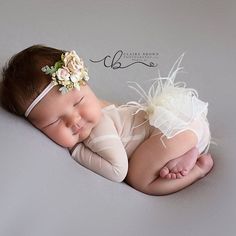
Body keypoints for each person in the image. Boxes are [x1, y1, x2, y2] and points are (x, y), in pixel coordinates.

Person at [0, 45, 213, 195]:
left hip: (176, 132)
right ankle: (185, 154)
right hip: (181, 128)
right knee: (147, 154)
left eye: (78, 102)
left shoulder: (99, 129)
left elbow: (117, 170)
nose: (75, 120)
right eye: (54, 122)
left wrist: (76, 151)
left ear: (87, 86)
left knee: (139, 178)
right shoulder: (101, 107)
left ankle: (199, 168)